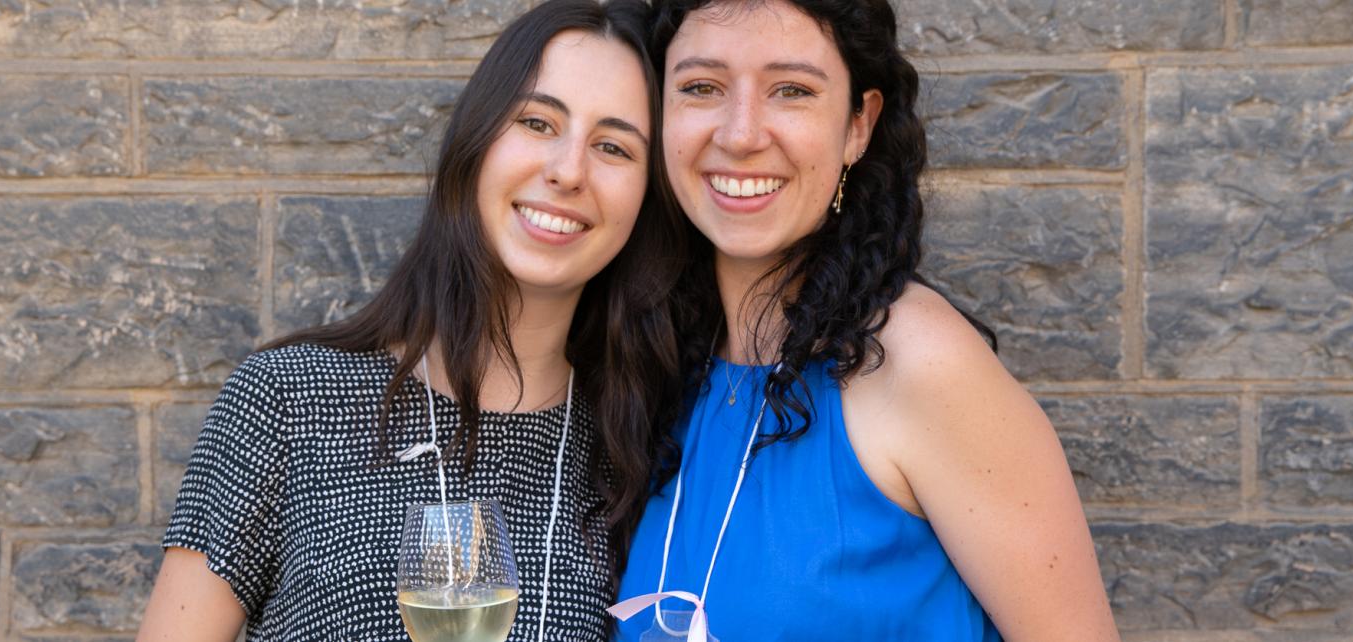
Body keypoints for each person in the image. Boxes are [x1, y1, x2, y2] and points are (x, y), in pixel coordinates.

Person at [137, 1, 684, 640]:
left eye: (614, 146)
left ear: (648, 195)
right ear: (476, 142)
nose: (567, 170)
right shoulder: (287, 397)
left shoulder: (645, 444)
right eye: (537, 122)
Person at [610, 0, 1121, 640]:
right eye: (701, 87)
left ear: (858, 124)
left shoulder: (925, 365)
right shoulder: (665, 367)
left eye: (791, 90)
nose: (740, 134)